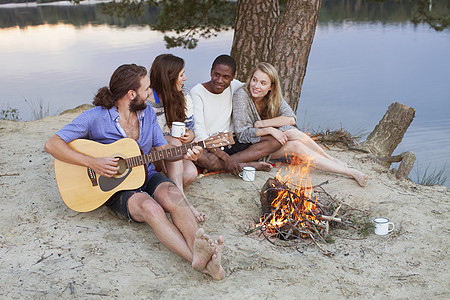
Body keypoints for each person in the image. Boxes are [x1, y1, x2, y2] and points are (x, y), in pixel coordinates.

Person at [44, 64, 225, 280]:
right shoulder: (95, 117)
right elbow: (52, 144)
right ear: (131, 94)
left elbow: (162, 149)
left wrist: (186, 153)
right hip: (113, 188)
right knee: (151, 208)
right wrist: (93, 162)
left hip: (145, 172)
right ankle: (200, 261)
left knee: (175, 197)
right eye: (147, 88)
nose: (150, 92)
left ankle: (200, 258)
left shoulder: (147, 113)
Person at [232, 62, 369, 187]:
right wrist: (269, 130)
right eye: (254, 80)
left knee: (294, 136)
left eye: (263, 83)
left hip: (270, 140)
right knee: (294, 142)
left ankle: (332, 160)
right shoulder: (242, 96)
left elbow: (291, 119)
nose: (256, 86)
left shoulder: (273, 96)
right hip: (251, 147)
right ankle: (349, 172)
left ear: (271, 87)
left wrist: (261, 123)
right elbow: (242, 135)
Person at [191, 54, 281, 175]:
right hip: (210, 145)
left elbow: (259, 89)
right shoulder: (197, 92)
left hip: (231, 140)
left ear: (233, 77)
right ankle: (247, 165)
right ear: (211, 71)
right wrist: (225, 158)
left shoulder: (236, 86)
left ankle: (225, 165)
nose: (219, 80)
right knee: (200, 157)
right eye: (216, 74)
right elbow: (200, 135)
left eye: (226, 77)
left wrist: (274, 125)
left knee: (274, 141)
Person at [148, 54, 205, 222]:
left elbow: (192, 130)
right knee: (172, 141)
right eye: (181, 75)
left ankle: (163, 188)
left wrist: (189, 136)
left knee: (190, 174)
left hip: (174, 154)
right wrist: (168, 139)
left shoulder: (184, 96)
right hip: (152, 154)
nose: (185, 78)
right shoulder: (146, 100)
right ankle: (183, 201)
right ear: (169, 78)